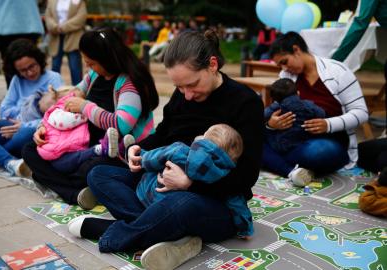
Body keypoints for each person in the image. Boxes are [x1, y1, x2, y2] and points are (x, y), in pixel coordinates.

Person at [66, 30, 264, 270]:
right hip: (161, 183)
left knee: (181, 205)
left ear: (212, 65)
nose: (187, 95)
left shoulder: (245, 103)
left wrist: (190, 183)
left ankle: (113, 231)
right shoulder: (182, 96)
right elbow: (162, 134)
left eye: (192, 85)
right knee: (99, 175)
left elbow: (246, 177)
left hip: (212, 200)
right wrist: (139, 149)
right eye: (179, 88)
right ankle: (168, 233)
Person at [22, 27, 159, 209]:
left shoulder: (129, 83)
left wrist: (86, 107)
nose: (88, 67)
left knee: (90, 170)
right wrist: (44, 126)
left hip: (115, 151)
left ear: (108, 60)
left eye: (92, 63)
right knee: (30, 150)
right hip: (82, 142)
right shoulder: (95, 75)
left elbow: (122, 125)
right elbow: (69, 99)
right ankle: (74, 191)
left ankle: (54, 181)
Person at [263, 31, 368, 185]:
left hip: (328, 142)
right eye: (280, 65)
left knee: (318, 152)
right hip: (291, 138)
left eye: (285, 61)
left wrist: (328, 125)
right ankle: (293, 171)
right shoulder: (286, 76)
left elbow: (362, 113)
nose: (284, 68)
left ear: (297, 50)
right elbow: (275, 108)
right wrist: (271, 125)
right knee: (249, 135)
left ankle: (277, 162)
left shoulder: (338, 72)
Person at [133, 124, 253, 239]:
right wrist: (246, 228)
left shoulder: (180, 151)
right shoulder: (225, 177)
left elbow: (154, 158)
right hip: (175, 212)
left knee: (149, 174)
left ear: (204, 138)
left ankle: (143, 224)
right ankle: (167, 232)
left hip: (147, 194)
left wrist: (141, 157)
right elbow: (238, 204)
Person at [0, 38, 62, 175]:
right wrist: (24, 110)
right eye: (23, 70)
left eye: (32, 66)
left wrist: (25, 124)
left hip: (35, 131)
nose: (29, 73)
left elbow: (58, 115)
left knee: (25, 133)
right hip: (11, 128)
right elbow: (4, 109)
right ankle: (11, 162)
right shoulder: (17, 80)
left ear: (38, 60)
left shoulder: (53, 78)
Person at [265, 78, 326, 186]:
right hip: (301, 144)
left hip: (278, 145)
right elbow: (321, 113)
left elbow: (263, 115)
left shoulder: (276, 107)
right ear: (298, 93)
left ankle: (286, 167)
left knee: (258, 142)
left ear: (275, 99)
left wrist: (269, 124)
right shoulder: (307, 105)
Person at [0, 0, 45, 88]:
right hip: (30, 22)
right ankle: (33, 93)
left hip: (6, 24)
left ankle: (15, 95)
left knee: (11, 68)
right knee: (31, 64)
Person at [45, 0, 87, 86]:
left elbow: (81, 17)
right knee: (55, 66)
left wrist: (63, 27)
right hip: (56, 37)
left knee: (75, 67)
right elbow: (48, 17)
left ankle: (78, 91)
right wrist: (55, 27)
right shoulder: (51, 1)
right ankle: (54, 90)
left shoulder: (79, 1)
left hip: (73, 38)